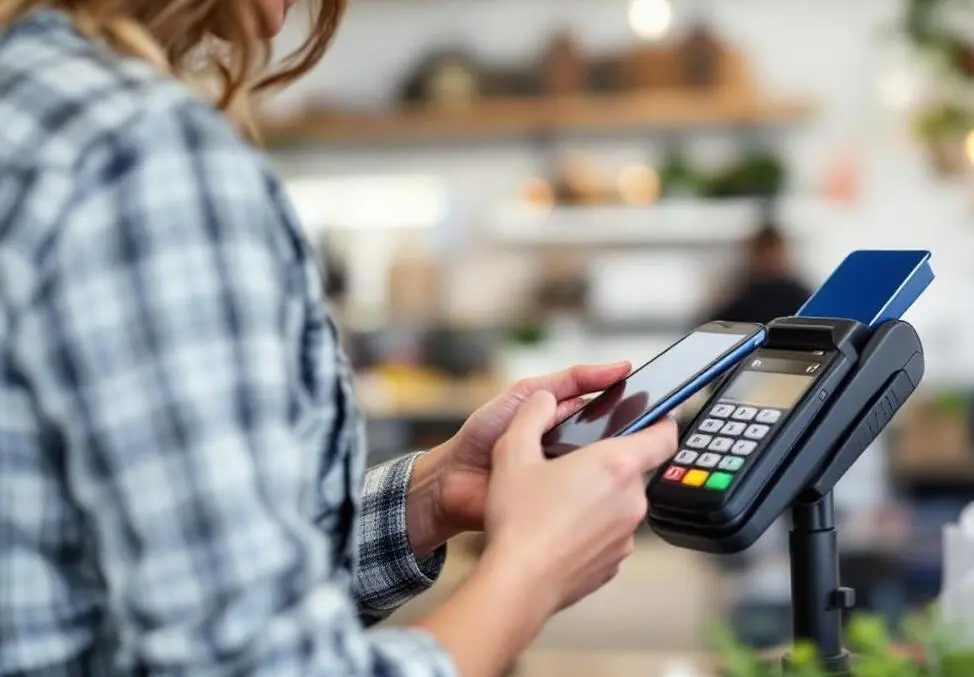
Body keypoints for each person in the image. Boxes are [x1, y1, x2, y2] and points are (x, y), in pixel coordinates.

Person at [0, 2, 679, 676]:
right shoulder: (141, 153)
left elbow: (170, 571)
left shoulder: (34, 96)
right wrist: (533, 569)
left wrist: (435, 492)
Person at [707, 221, 814, 326]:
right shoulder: (740, 295)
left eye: (772, 252)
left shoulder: (799, 296)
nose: (769, 259)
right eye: (764, 252)